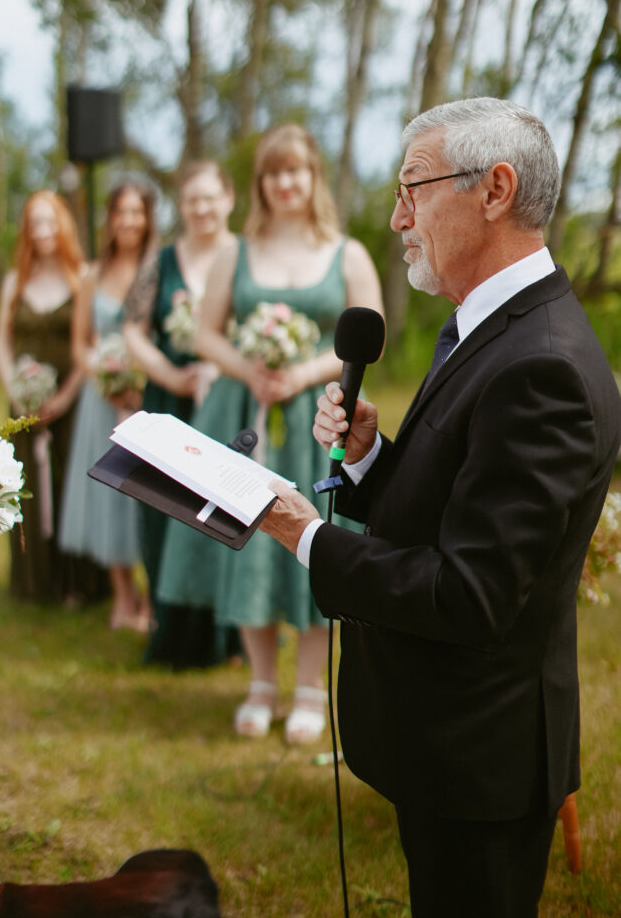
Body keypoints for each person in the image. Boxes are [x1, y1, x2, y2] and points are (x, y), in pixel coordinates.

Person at [259, 98, 621, 917]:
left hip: (483, 759)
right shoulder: (488, 325)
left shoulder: (544, 367)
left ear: (493, 190)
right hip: (448, 743)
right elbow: (459, 505)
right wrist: (370, 461)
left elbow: (470, 592)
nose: (396, 219)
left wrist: (305, 535)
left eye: (411, 190)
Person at [157, 124, 383, 743]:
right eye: (274, 173)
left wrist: (304, 373)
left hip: (321, 411)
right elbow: (205, 334)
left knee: (316, 533)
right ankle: (261, 680)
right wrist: (250, 371)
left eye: (297, 171)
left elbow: (372, 333)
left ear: (314, 179)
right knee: (249, 536)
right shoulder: (238, 250)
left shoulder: (348, 252)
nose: (286, 183)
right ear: (260, 184)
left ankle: (310, 685)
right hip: (243, 411)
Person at [123, 161, 239, 666]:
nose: (202, 208)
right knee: (163, 513)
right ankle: (170, 631)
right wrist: (170, 377)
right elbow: (132, 328)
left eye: (210, 197)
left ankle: (228, 635)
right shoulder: (162, 260)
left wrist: (222, 366)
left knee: (225, 511)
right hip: (169, 403)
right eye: (192, 199)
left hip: (228, 399)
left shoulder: (244, 258)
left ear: (229, 199)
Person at [0, 190, 108, 603]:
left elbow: (89, 342)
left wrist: (63, 397)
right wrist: (16, 394)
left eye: (49, 221)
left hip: (71, 400)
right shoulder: (14, 281)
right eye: (34, 223)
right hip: (24, 403)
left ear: (63, 226)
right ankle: (35, 582)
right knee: (25, 488)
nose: (42, 231)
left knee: (71, 483)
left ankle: (79, 582)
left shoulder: (81, 276)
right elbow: (2, 345)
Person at [58, 182, 155, 631]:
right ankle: (122, 594)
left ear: (148, 218)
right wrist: (104, 375)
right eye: (121, 212)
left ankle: (152, 599)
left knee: (150, 495)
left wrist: (137, 381)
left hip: (147, 398)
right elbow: (80, 344)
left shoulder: (157, 268)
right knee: (110, 493)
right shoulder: (92, 275)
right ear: (110, 219)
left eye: (137, 212)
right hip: (102, 401)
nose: (129, 221)